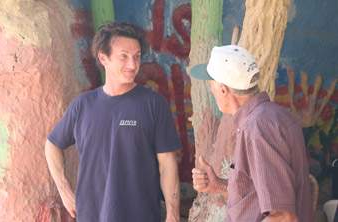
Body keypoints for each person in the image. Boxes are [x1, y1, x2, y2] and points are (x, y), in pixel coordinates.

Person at [45, 21, 182, 222]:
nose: (133, 65)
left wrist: (173, 213)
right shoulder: (82, 105)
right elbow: (52, 144)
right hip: (91, 216)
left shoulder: (153, 104)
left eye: (136, 57)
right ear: (103, 57)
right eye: (124, 57)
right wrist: (64, 190)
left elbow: (167, 164)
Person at [190, 45, 313, 222]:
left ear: (223, 90)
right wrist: (217, 185)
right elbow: (258, 192)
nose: (211, 91)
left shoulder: (257, 127)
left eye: (211, 85)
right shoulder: (272, 116)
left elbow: (283, 216)